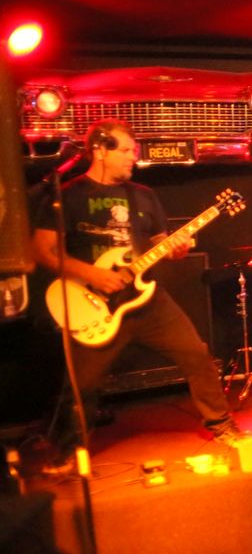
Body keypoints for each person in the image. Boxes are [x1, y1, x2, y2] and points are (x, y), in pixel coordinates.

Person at [32, 119, 241, 471]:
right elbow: (42, 250)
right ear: (100, 151)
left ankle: (221, 423)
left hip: (146, 300)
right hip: (93, 302)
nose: (134, 156)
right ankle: (69, 449)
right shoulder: (67, 195)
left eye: (134, 150)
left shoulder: (144, 195)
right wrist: (93, 274)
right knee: (81, 384)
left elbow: (160, 243)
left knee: (197, 354)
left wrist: (176, 248)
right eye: (126, 150)